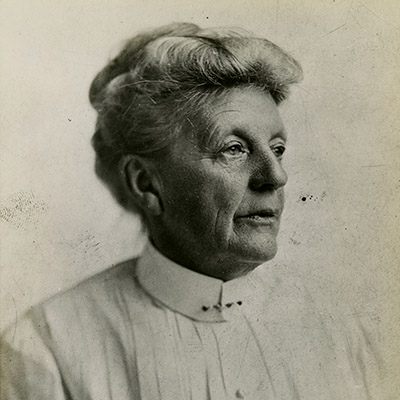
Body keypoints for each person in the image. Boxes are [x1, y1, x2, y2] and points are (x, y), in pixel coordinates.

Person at [0, 23, 386, 399]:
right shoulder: (44, 350)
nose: (276, 176)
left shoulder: (340, 336)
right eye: (234, 149)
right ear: (146, 183)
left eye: (278, 148)